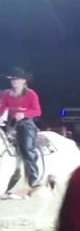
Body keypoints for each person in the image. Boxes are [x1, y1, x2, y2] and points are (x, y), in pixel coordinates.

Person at [0, 68, 43, 198]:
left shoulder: (31, 94)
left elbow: (38, 111)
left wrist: (24, 114)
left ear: (24, 81)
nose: (14, 81)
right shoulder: (7, 94)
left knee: (26, 148)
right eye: (12, 79)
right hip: (11, 124)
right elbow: (3, 108)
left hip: (26, 125)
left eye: (17, 79)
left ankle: (33, 178)